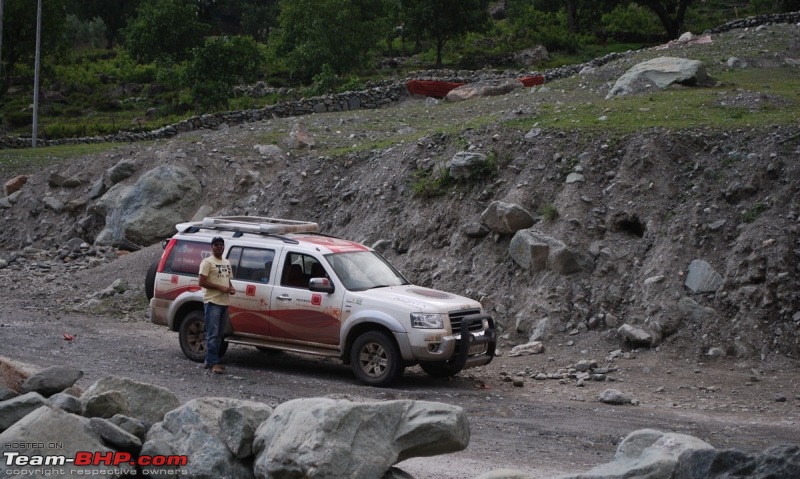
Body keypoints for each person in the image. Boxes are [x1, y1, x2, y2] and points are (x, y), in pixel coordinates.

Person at [198, 236, 236, 374]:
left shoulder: (226, 262)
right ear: (211, 247)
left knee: (220, 334)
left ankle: (210, 360)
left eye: (221, 244)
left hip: (224, 302)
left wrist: (230, 288)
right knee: (212, 334)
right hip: (212, 302)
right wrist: (221, 288)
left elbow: (227, 280)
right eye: (216, 245)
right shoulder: (207, 262)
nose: (219, 247)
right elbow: (201, 282)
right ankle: (214, 363)